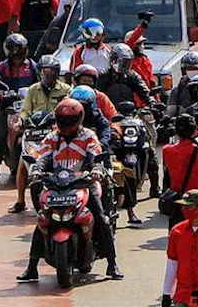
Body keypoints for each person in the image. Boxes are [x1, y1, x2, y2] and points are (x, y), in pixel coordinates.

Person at [16, 98, 122, 283]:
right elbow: (41, 156)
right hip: (57, 185)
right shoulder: (51, 138)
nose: (65, 125)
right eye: (62, 120)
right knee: (42, 219)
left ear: (79, 118)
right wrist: (36, 170)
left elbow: (96, 154)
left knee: (101, 219)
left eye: (69, 120)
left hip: (83, 184)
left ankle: (112, 264)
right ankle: (31, 268)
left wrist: (96, 170)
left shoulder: (88, 136)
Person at [0, 32, 34, 182]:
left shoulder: (32, 65)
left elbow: (40, 80)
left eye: (21, 50)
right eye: (16, 51)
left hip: (28, 107)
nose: (18, 55)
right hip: (8, 107)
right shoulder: (2, 67)